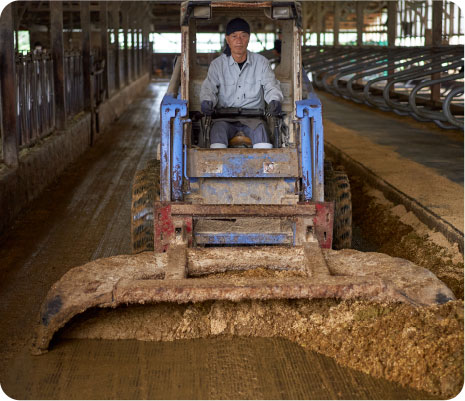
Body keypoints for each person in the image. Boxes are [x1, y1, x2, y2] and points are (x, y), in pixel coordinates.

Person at [200, 18, 283, 149]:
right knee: (216, 142)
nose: (239, 41)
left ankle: (262, 168)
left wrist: (274, 100)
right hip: (223, 119)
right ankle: (218, 168)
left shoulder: (261, 63)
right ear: (228, 39)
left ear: (249, 38)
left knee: (264, 144)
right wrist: (206, 101)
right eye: (234, 36)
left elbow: (270, 85)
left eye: (243, 36)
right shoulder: (217, 65)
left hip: (254, 119)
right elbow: (209, 88)